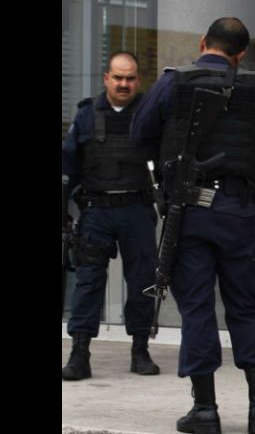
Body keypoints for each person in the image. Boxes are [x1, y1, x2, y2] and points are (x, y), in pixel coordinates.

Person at [130, 17, 255, 434]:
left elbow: (139, 133)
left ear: (203, 42)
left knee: (197, 309)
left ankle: (204, 411)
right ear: (241, 55)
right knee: (246, 304)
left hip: (188, 212)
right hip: (237, 210)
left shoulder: (171, 83)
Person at [61, 51, 161, 381]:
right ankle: (79, 352)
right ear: (106, 78)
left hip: (137, 209)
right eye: (118, 77)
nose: (123, 83)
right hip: (96, 210)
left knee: (143, 282)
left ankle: (140, 349)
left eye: (130, 78)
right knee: (89, 281)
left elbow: (165, 163)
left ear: (138, 80)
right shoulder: (87, 115)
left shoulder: (151, 114)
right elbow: (68, 165)